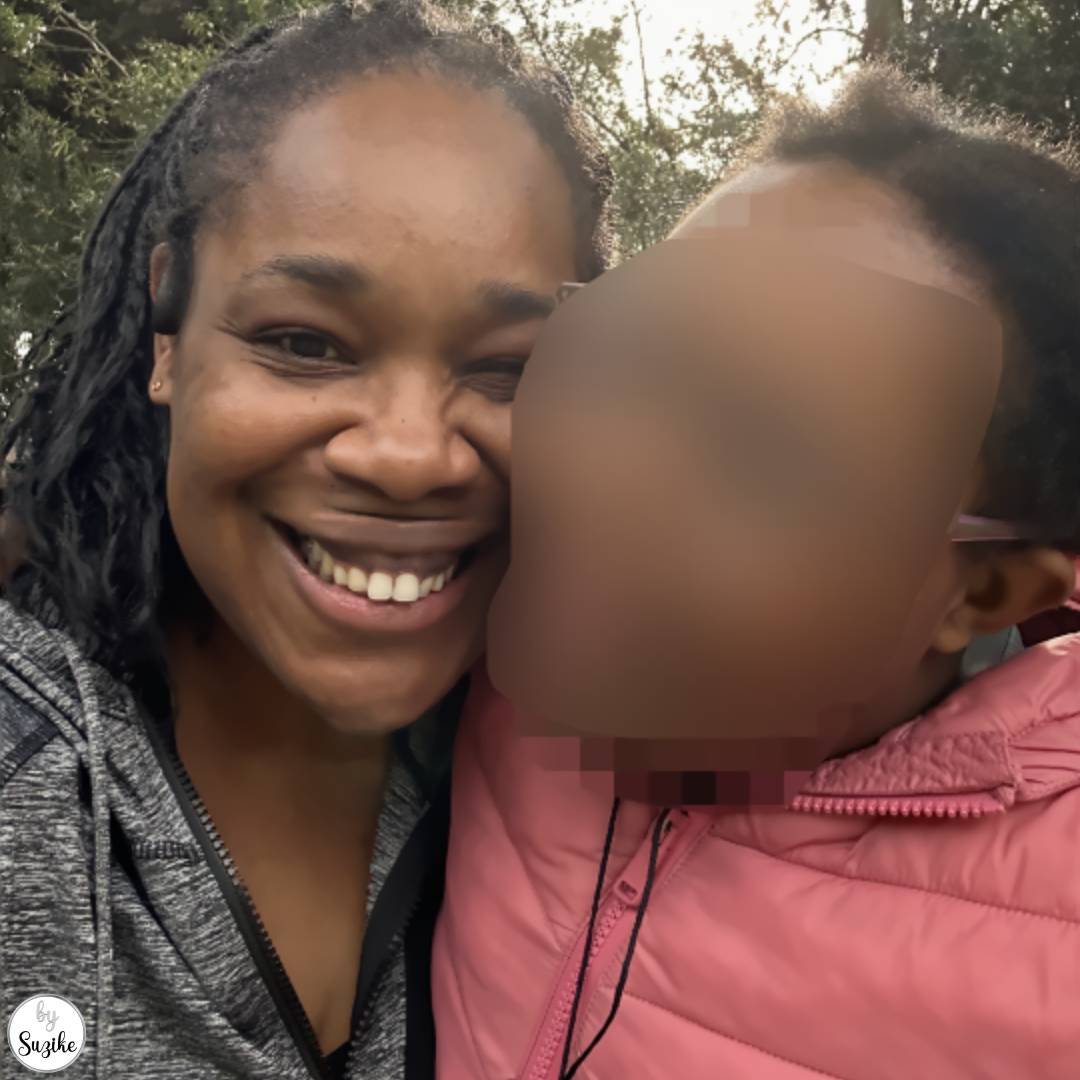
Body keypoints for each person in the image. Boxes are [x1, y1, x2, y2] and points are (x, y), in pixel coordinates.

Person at [0, 2, 612, 1077]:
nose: (412, 454)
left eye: (512, 369)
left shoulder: (614, 793)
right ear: (169, 334)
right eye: (304, 342)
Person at [433, 65, 1080, 1079]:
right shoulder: (479, 646)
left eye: (763, 457)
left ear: (982, 589)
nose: (604, 479)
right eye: (623, 362)